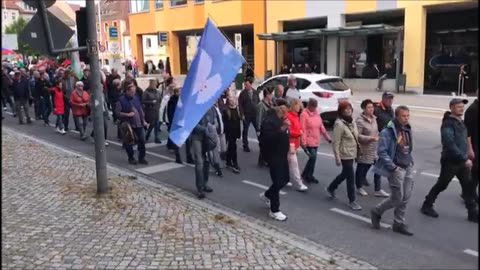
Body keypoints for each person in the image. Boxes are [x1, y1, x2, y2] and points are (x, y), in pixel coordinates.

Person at [421, 99, 478, 223]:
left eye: (462, 107)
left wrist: (469, 152)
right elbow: (449, 143)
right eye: (458, 107)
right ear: (452, 108)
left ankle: (472, 213)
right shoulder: (448, 124)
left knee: (468, 187)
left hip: (462, 161)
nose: (462, 109)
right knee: (442, 184)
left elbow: (465, 138)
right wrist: (464, 158)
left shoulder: (461, 122)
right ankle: (427, 205)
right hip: (451, 162)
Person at [371, 105, 414, 236]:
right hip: (396, 168)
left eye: (408, 116)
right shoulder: (388, 131)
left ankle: (398, 223)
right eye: (403, 116)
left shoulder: (408, 129)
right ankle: (377, 211)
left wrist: (410, 160)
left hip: (407, 166)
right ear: (396, 116)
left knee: (406, 197)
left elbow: (408, 146)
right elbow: (382, 152)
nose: (406, 118)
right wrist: (393, 167)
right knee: (397, 198)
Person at [326, 101, 362, 210]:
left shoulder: (352, 122)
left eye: (349, 108)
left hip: (353, 153)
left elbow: (356, 136)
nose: (348, 110)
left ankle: (331, 187)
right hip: (345, 154)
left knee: (345, 174)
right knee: (350, 176)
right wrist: (337, 157)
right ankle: (352, 200)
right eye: (345, 109)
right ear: (341, 111)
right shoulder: (339, 124)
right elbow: (335, 142)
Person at [259, 105, 290, 221]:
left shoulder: (281, 120)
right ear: (280, 111)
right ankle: (274, 210)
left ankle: (267, 195)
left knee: (285, 179)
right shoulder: (269, 121)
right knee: (277, 181)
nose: (286, 113)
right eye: (284, 111)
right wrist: (282, 129)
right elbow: (268, 139)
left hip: (282, 154)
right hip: (273, 156)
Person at [355, 99, 389, 197]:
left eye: (372, 107)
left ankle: (378, 189)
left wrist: (380, 137)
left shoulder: (374, 119)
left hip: (374, 148)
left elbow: (376, 131)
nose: (371, 109)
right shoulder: (360, 121)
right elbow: (357, 136)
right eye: (369, 107)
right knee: (362, 169)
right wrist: (370, 138)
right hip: (364, 149)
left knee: (378, 168)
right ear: (364, 109)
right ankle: (359, 187)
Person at [116, 81, 148, 165]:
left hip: (138, 123)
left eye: (134, 92)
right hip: (127, 124)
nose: (133, 93)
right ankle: (131, 158)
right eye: (131, 92)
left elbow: (140, 109)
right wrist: (127, 114)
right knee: (129, 142)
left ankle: (142, 157)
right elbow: (117, 113)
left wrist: (143, 120)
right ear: (127, 91)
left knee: (142, 140)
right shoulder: (121, 100)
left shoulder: (136, 98)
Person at [300, 98, 331, 184]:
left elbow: (321, 127)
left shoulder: (317, 114)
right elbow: (302, 129)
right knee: (313, 157)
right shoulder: (304, 114)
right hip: (308, 140)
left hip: (316, 140)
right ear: (309, 106)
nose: (314, 108)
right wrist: (303, 142)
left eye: (315, 107)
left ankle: (306, 174)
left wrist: (327, 138)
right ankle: (307, 175)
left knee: (313, 158)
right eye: (313, 107)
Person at [191, 106, 218, 199]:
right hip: (197, 137)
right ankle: (200, 189)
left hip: (207, 138)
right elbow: (193, 123)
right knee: (199, 162)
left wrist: (213, 127)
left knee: (207, 161)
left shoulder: (212, 108)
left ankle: (204, 183)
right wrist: (205, 129)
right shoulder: (196, 106)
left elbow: (215, 121)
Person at [371, 92, 394, 189]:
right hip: (378, 139)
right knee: (376, 162)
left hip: (388, 139)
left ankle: (379, 187)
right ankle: (377, 188)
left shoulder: (390, 110)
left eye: (391, 99)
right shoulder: (376, 109)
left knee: (379, 162)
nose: (390, 100)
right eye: (388, 98)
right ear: (383, 99)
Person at [284, 98, 308, 192]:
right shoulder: (289, 116)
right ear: (293, 106)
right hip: (291, 143)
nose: (299, 107)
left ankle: (285, 179)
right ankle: (299, 183)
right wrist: (299, 132)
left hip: (294, 143)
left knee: (288, 163)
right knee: (294, 164)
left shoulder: (295, 116)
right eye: (298, 105)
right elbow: (289, 131)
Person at [238, 77, 260, 152]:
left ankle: (261, 142)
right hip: (246, 114)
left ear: (250, 84)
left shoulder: (255, 92)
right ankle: (245, 145)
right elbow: (240, 105)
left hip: (254, 114)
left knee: (258, 128)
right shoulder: (242, 93)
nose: (246, 86)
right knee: (245, 130)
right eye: (245, 84)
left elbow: (258, 102)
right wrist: (242, 115)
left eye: (247, 84)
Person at [464, 89, 478, 202]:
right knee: (475, 172)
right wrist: (470, 148)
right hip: (474, 145)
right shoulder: (472, 110)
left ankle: (469, 193)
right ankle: (470, 194)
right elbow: (467, 132)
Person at [223, 95, 241, 174]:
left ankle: (228, 161)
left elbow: (238, 122)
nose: (233, 101)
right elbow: (225, 123)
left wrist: (238, 134)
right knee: (233, 147)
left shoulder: (237, 109)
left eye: (233, 99)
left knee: (231, 147)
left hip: (235, 132)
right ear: (228, 101)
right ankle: (235, 163)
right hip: (228, 132)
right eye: (231, 99)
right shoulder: (226, 110)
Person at [256, 88, 273, 167]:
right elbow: (259, 118)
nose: (272, 96)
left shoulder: (270, 103)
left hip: (269, 127)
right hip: (263, 128)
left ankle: (265, 159)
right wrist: (258, 129)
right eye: (270, 94)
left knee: (268, 144)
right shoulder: (261, 105)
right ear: (267, 95)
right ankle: (262, 160)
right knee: (263, 145)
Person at [142, 79, 162, 143]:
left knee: (156, 124)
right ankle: (146, 135)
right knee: (152, 124)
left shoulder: (157, 92)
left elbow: (160, 99)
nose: (155, 85)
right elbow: (143, 101)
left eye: (156, 84)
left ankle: (156, 137)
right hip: (149, 111)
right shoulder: (146, 92)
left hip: (156, 110)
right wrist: (151, 102)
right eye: (154, 84)